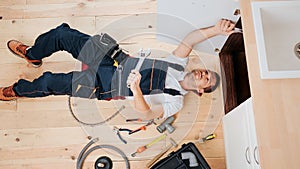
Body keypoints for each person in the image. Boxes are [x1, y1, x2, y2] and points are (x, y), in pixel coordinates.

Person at [0, 19, 234, 119]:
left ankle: (19, 91)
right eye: (206, 72)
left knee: (50, 83)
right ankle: (32, 55)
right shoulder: (178, 64)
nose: (203, 74)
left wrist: (136, 89)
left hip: (102, 84)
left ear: (201, 91)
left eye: (207, 80)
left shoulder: (175, 101)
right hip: (110, 57)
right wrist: (216, 29)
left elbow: (147, 114)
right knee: (62, 34)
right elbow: (190, 39)